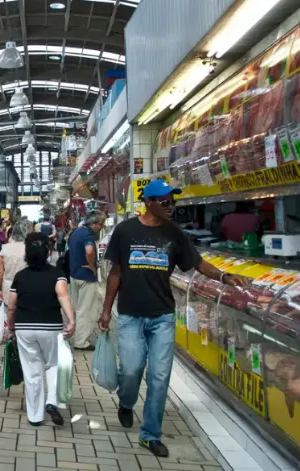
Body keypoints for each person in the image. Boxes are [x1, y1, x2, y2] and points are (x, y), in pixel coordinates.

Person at [99, 180, 248, 458]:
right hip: (131, 314)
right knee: (131, 370)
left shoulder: (174, 233)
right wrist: (106, 310)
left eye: (173, 201)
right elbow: (115, 273)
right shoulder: (125, 231)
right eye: (165, 202)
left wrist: (224, 277)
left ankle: (150, 434)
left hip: (162, 316)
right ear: (149, 203)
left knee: (159, 376)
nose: (171, 207)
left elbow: (198, 263)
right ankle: (126, 402)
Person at [7, 233, 76, 427]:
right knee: (53, 364)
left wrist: (10, 327)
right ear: (48, 251)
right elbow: (63, 295)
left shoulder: (20, 277)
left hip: (25, 327)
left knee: (32, 371)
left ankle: (35, 416)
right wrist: (71, 320)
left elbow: (12, 306)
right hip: (51, 326)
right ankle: (52, 401)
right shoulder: (57, 274)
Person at [68, 210, 107, 351]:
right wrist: (93, 267)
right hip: (86, 277)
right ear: (93, 223)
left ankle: (76, 335)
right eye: (101, 224)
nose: (102, 227)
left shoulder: (76, 232)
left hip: (74, 275)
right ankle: (81, 342)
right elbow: (89, 251)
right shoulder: (88, 235)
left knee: (78, 308)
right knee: (86, 310)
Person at [0, 219, 32, 305]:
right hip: (26, 287)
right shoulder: (29, 249)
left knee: (10, 313)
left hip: (8, 288)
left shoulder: (5, 249)